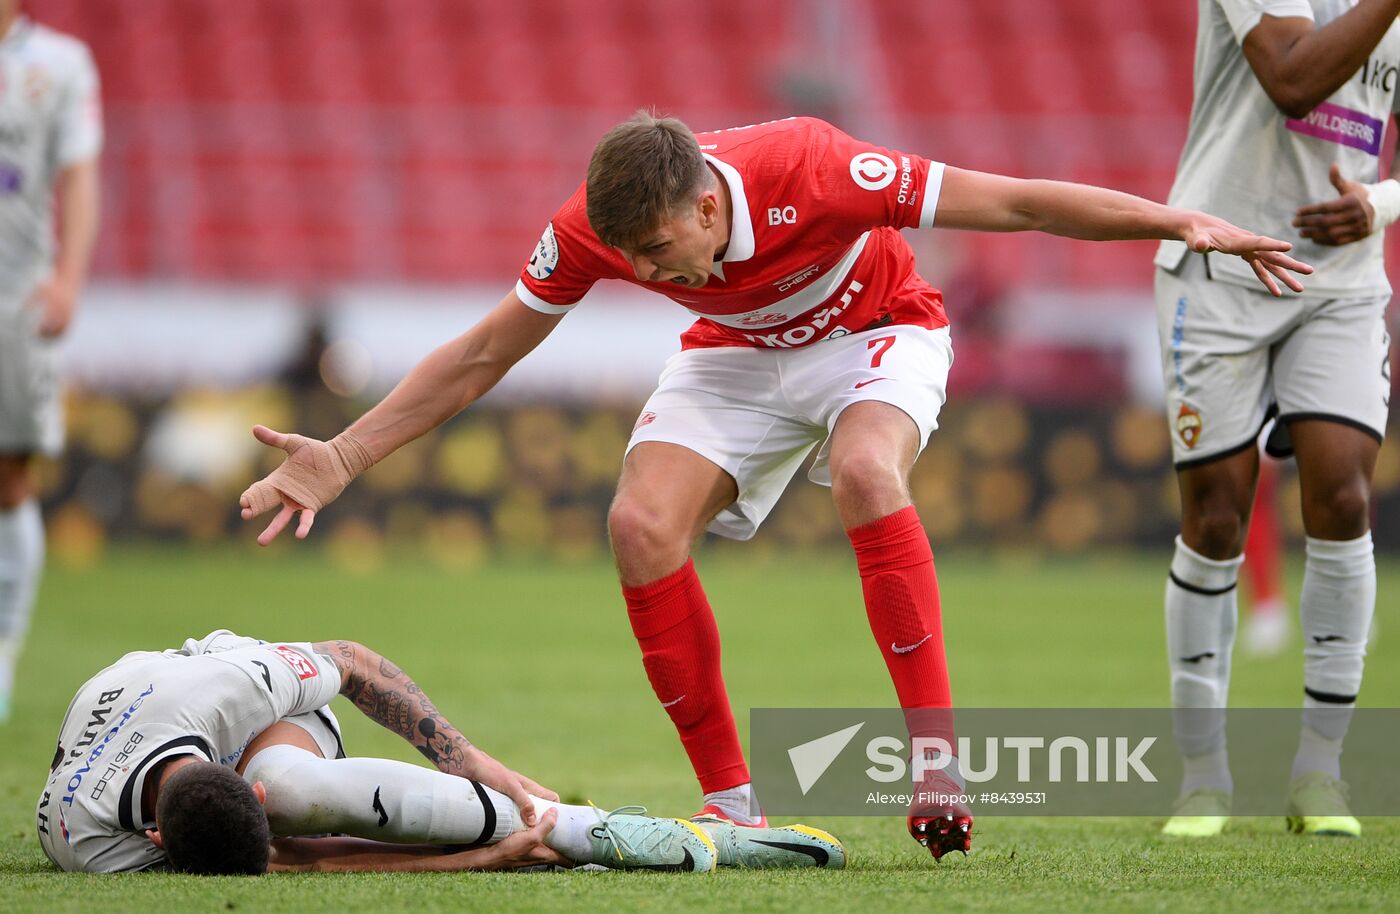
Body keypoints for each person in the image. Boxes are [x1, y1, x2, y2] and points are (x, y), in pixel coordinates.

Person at [239, 112, 1310, 859]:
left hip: (878, 335)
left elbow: (1017, 200)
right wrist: (341, 454)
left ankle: (935, 768)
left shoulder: (815, 167)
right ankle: (733, 801)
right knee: (637, 524)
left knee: (860, 469)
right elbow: (482, 352)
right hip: (737, 354)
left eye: (661, 250)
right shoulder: (592, 226)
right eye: (632, 260)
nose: (648, 275)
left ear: (709, 202)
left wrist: (1178, 221)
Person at [1154, 0, 1398, 839]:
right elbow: (1293, 78)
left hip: (1341, 279)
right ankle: (1203, 777)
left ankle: (1320, 773)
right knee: (1217, 519)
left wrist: (1384, 204)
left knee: (1344, 500)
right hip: (1218, 267)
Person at [37, 629, 843, 873]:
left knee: (293, 792)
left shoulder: (220, 691)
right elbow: (303, 868)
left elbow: (351, 660)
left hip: (216, 687)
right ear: (155, 842)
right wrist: (486, 862)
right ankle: (596, 842)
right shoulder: (89, 846)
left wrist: (474, 763)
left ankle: (587, 824)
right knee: (291, 822)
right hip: (154, 743)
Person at [0, 0, 102, 723]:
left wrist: (68, 279)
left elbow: (79, 175)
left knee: (9, 477)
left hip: (13, 297)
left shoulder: (58, 63)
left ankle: (1, 646)